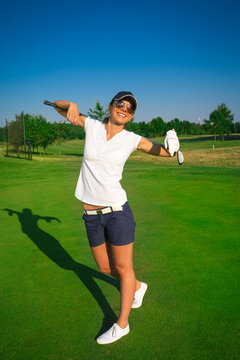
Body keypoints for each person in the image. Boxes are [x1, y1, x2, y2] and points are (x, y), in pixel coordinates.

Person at [54, 91, 178, 344]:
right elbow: (59, 107)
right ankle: (138, 286)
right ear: (111, 106)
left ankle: (122, 325)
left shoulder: (132, 139)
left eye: (130, 108)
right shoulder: (91, 126)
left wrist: (173, 146)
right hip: (90, 214)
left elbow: (165, 153)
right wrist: (71, 104)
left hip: (117, 212)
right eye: (120, 103)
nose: (124, 109)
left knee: (123, 268)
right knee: (104, 267)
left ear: (131, 116)